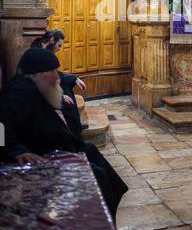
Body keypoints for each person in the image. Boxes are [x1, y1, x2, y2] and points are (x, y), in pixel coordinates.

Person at [0, 48, 128, 221]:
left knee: (93, 153)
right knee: (98, 176)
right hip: (44, 153)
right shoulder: (19, 91)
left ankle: (110, 211)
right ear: (37, 73)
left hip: (57, 146)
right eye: (51, 71)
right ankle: (102, 221)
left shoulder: (34, 85)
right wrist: (16, 151)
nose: (56, 77)